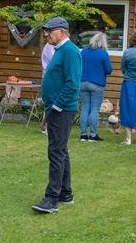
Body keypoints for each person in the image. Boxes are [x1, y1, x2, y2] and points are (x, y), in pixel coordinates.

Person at [32, 17, 81, 214]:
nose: (46, 34)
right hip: (55, 109)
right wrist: (48, 111)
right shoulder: (60, 51)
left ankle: (52, 199)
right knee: (61, 150)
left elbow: (72, 84)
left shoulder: (70, 51)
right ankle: (65, 194)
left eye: (49, 31)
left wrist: (56, 108)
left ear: (61, 31)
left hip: (62, 110)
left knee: (56, 152)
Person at [79, 32, 113, 142]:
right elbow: (108, 70)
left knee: (85, 108)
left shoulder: (83, 51)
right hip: (97, 84)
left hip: (83, 82)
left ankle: (83, 135)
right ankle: (93, 135)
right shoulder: (103, 53)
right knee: (94, 109)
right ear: (103, 42)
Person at [40, 41, 55, 135]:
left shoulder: (48, 46)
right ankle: (46, 127)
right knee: (50, 103)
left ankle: (46, 126)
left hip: (48, 77)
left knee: (49, 104)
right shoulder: (50, 46)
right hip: (50, 77)